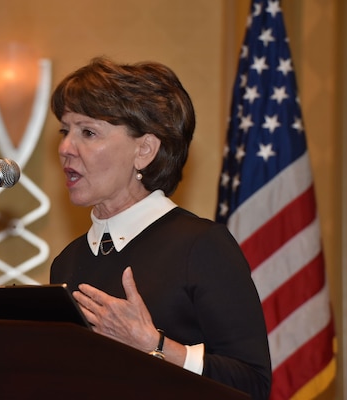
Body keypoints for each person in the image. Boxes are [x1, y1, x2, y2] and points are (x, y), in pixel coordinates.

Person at [49, 57, 271, 399]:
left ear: (145, 150)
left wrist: (154, 345)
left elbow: (252, 384)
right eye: (66, 131)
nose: (65, 148)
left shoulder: (201, 246)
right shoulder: (66, 261)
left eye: (88, 132)